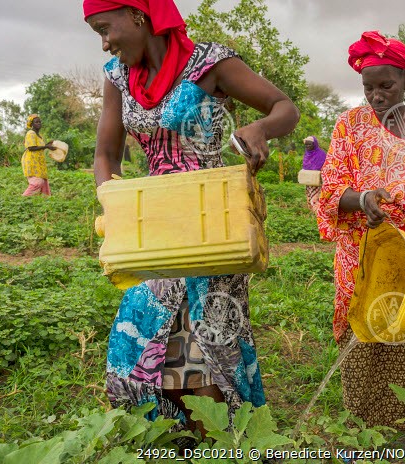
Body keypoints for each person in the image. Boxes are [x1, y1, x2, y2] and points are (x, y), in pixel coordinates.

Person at [83, 0, 299, 432]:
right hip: (153, 224)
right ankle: (178, 440)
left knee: (208, 344)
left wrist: (259, 128)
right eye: (97, 34)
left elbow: (283, 108)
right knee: (148, 340)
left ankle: (224, 441)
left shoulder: (210, 63)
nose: (105, 44)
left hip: (210, 221)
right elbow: (106, 154)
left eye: (106, 28)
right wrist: (115, 203)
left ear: (139, 15)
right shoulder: (118, 78)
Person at [316, 31, 405, 429]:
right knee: (365, 334)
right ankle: (364, 428)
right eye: (368, 88)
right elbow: (329, 187)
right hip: (362, 247)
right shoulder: (349, 125)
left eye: (386, 86)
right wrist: (363, 200)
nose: (377, 96)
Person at [21, 114, 55, 196]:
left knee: (43, 182)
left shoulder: (39, 136)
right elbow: (31, 148)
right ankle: (23, 198)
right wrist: (46, 146)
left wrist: (47, 145)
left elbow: (39, 147)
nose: (39, 123)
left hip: (38, 162)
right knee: (37, 182)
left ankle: (43, 202)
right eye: (36, 122)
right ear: (32, 124)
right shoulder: (31, 133)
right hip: (31, 161)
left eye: (40, 122)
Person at [301, 135, 327, 211]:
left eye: (310, 144)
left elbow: (325, 167)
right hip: (309, 181)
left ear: (314, 144)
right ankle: (313, 214)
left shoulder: (321, 154)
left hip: (318, 181)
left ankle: (319, 215)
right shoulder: (307, 154)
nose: (307, 146)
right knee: (310, 198)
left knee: (316, 199)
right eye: (306, 144)